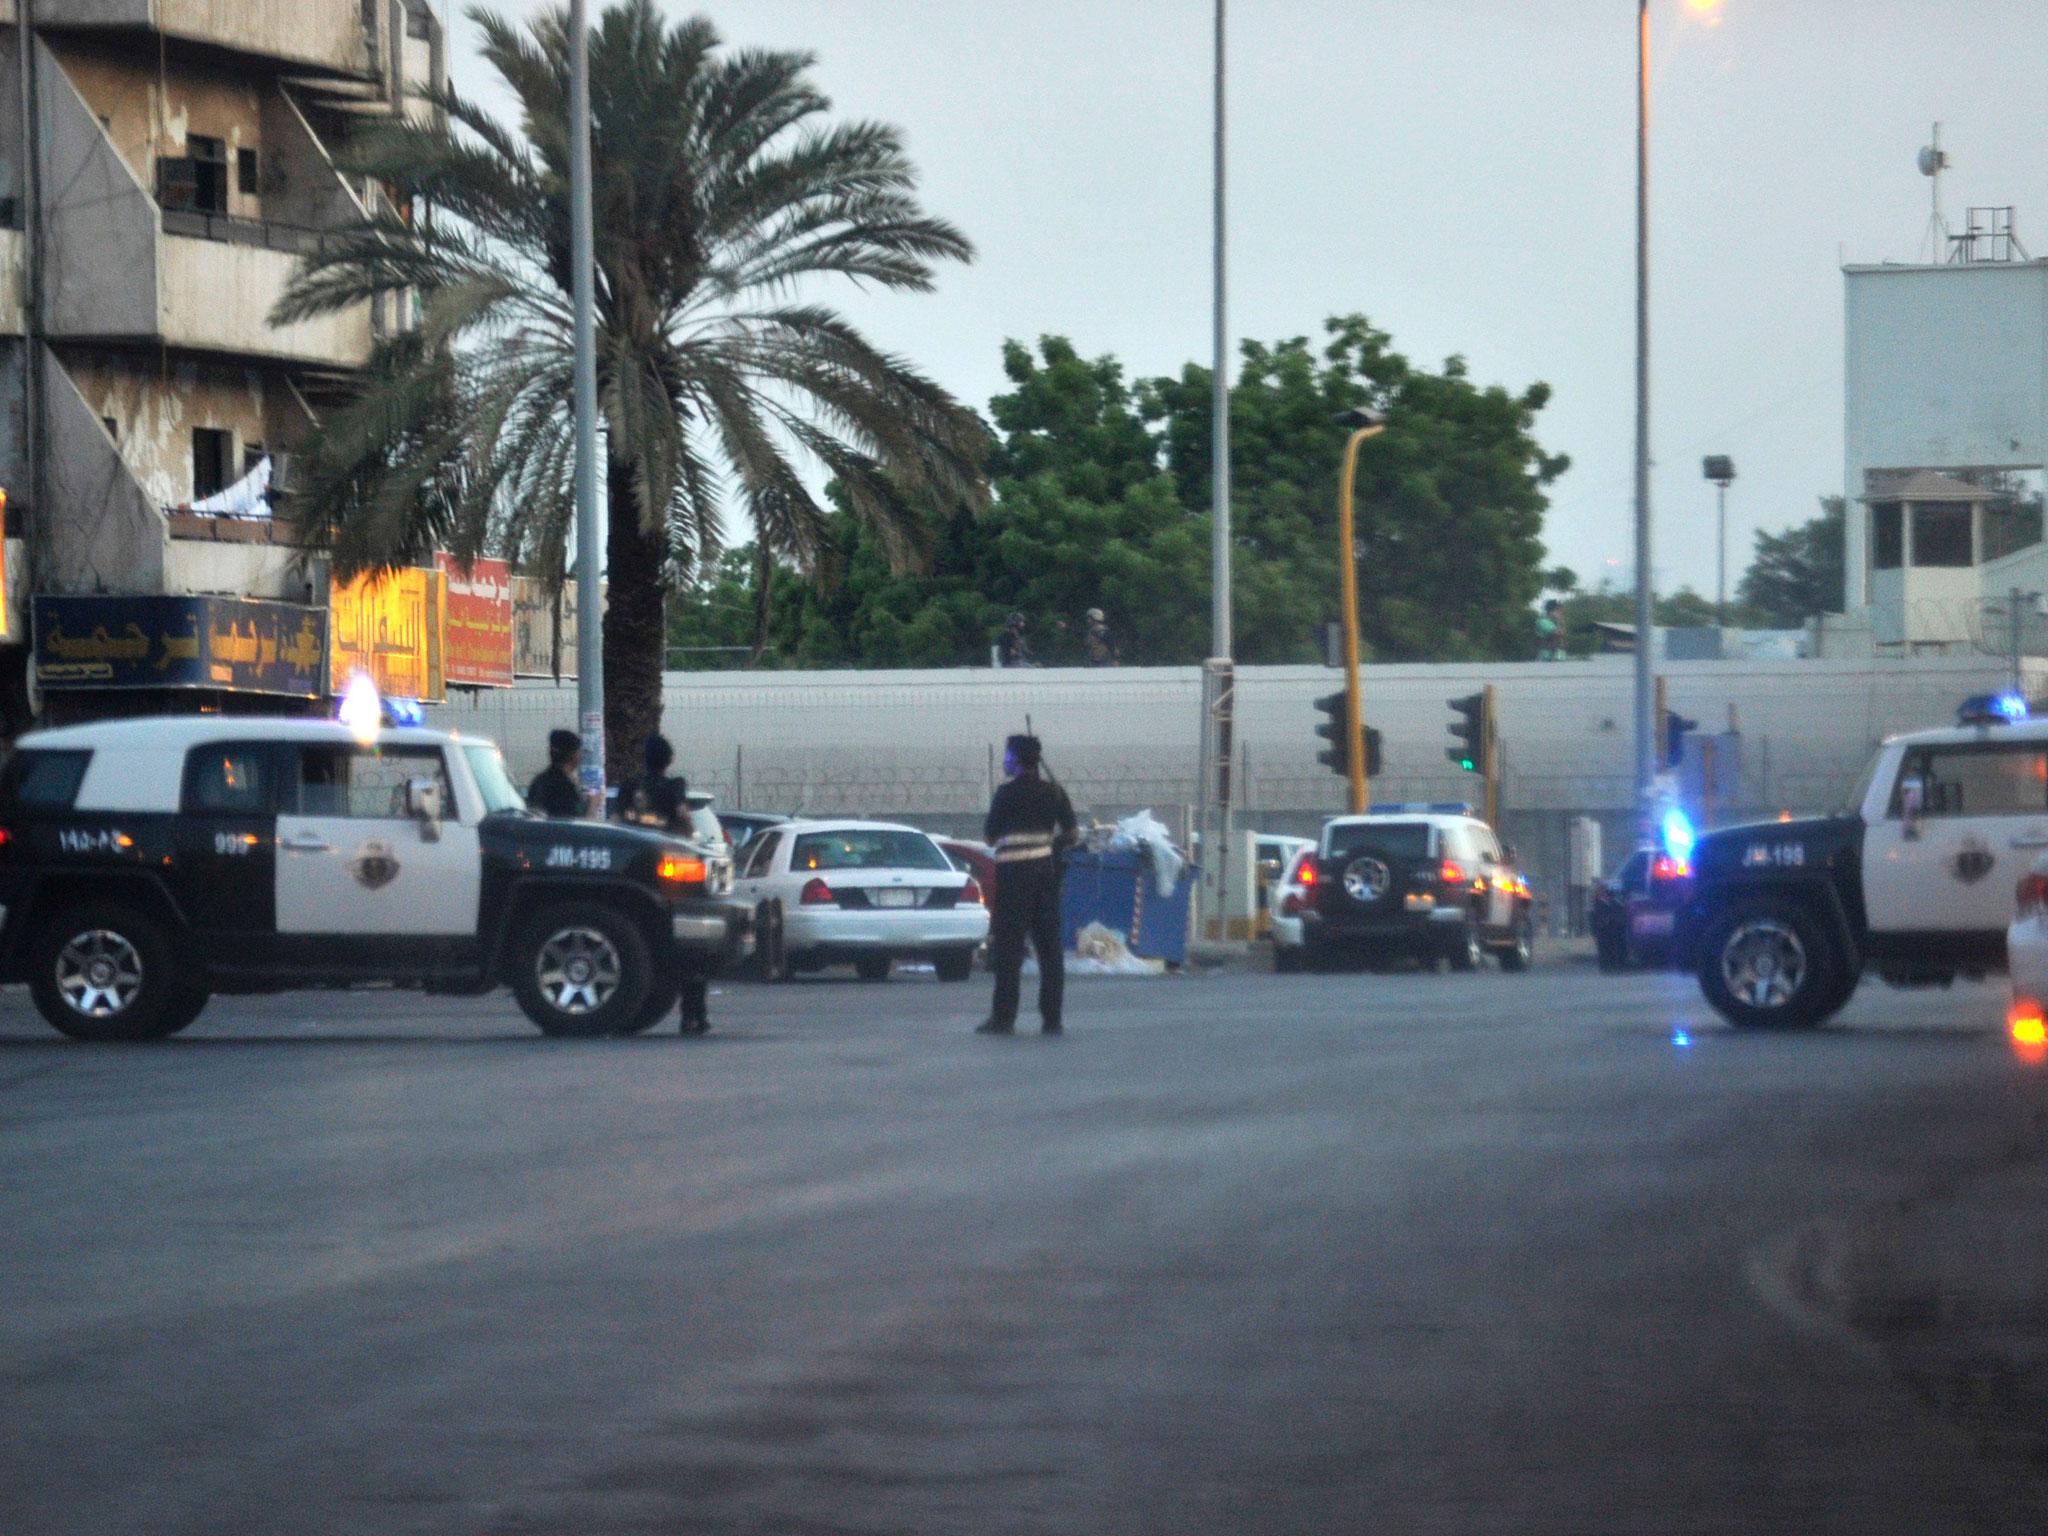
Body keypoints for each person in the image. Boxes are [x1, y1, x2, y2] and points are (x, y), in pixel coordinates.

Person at [977, 733, 1078, 1036]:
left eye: (1008, 756)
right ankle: (1052, 1019)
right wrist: (1050, 845)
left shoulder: (1006, 794)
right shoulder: (1056, 793)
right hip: (1045, 877)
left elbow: (990, 837)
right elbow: (1072, 835)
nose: (1005, 761)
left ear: (1018, 761)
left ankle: (1003, 1019)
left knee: (1009, 950)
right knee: (1050, 950)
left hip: (1014, 879)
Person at [613, 733, 712, 1034]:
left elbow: (616, 823)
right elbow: (684, 821)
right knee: (691, 952)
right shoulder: (673, 788)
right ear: (668, 760)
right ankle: (693, 1015)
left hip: (633, 873)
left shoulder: (629, 788)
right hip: (670, 875)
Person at [526, 729, 583, 818]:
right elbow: (574, 825)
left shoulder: (539, 781)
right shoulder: (565, 787)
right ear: (574, 755)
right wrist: (593, 807)